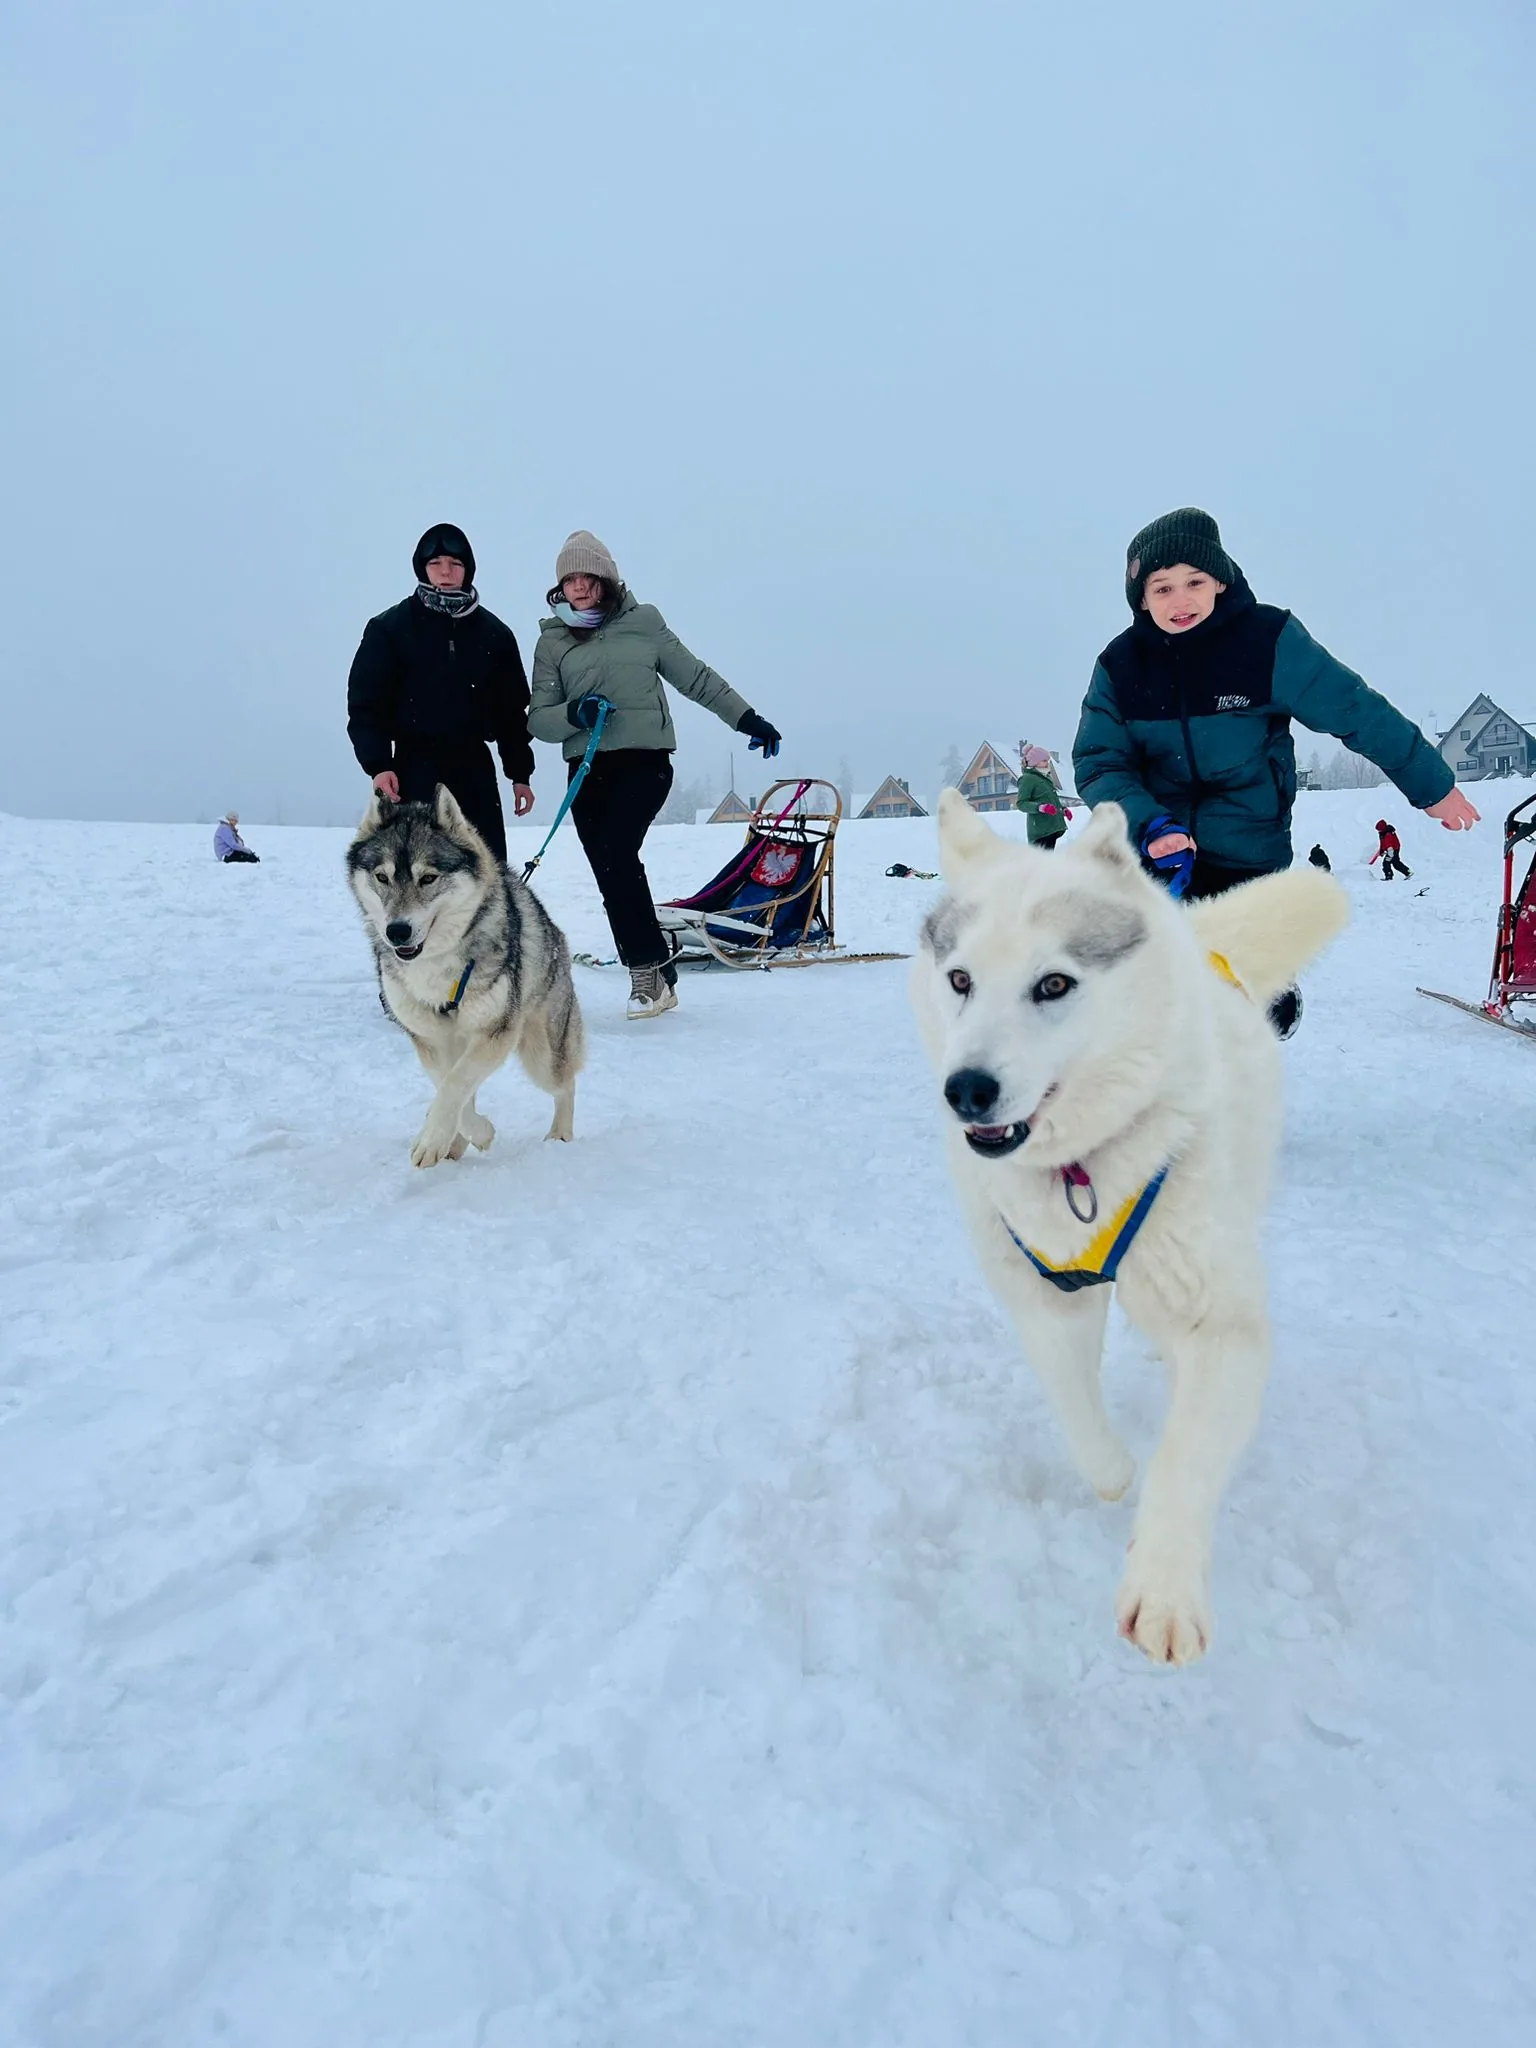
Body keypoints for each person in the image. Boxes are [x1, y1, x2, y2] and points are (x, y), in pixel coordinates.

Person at [1073, 507, 1480, 1034]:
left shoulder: (1266, 640)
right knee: (1154, 994)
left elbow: (1356, 710)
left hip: (1247, 844)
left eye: (1194, 581)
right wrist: (1148, 823)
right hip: (1158, 848)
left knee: (1246, 999)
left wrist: (1432, 786)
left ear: (1219, 579)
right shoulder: (1121, 664)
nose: (1180, 600)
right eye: (1162, 588)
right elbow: (1100, 761)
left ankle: (1262, 1005)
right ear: (1142, 598)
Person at [527, 532, 783, 1020]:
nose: (578, 587)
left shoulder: (643, 622)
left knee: (617, 853)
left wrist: (746, 718)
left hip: (644, 763)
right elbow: (538, 718)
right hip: (586, 768)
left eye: (587, 577)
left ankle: (644, 970)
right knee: (610, 869)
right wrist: (575, 713)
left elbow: (695, 677)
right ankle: (658, 974)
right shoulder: (552, 640)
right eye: (569, 579)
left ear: (605, 579)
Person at [347, 524, 534, 863]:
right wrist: (378, 764)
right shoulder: (388, 629)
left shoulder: (496, 635)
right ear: (422, 569)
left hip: (475, 770)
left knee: (486, 871)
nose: (445, 572)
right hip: (412, 770)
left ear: (468, 569)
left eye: (455, 564)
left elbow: (511, 713)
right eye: (436, 563)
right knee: (419, 875)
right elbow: (365, 706)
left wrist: (520, 774)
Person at [1015, 744, 1071, 849]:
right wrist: (1040, 807)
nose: (1047, 763)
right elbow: (1021, 803)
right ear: (1035, 762)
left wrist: (1063, 810)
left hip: (1051, 828)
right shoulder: (1028, 779)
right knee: (1039, 863)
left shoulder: (1046, 778)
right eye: (1044, 760)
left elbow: (1050, 800)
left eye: (1047, 760)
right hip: (1040, 831)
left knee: (1048, 861)